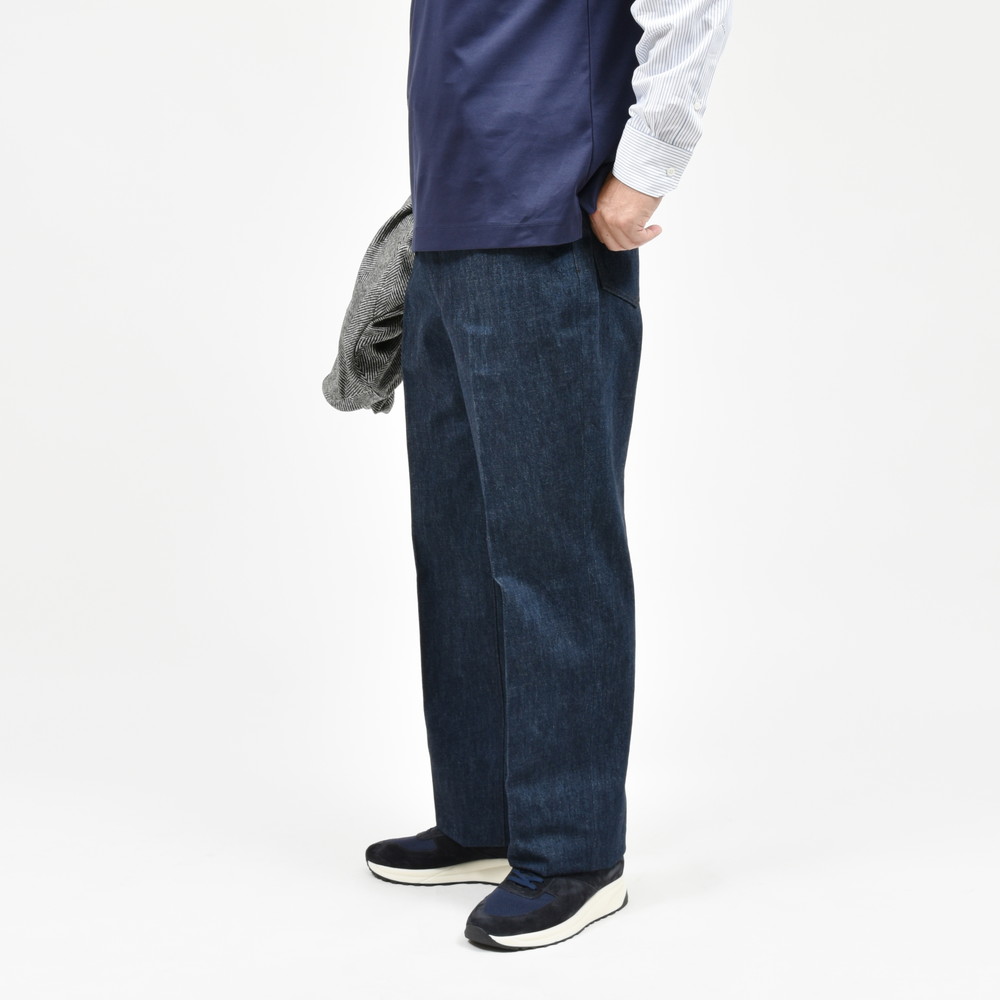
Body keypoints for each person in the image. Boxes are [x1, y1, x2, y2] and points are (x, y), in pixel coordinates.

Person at [364, 0, 734, 950]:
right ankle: (486, 819)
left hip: (549, 224)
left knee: (553, 550)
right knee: (456, 546)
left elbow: (691, 8)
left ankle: (573, 852)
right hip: (451, 225)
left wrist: (643, 174)